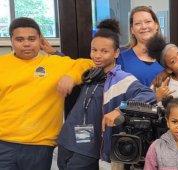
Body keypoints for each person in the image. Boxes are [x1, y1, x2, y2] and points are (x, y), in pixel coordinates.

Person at [57, 18, 157, 170]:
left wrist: (119, 110)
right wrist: (54, 52)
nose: (97, 55)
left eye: (104, 51)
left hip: (89, 147)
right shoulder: (91, 73)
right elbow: (70, 63)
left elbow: (148, 95)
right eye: (94, 50)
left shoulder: (122, 78)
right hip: (67, 139)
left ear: (116, 52)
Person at [0, 17, 94, 170]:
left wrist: (71, 76)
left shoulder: (54, 63)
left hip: (40, 145)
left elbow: (89, 64)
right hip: (3, 144)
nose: (26, 44)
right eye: (19, 39)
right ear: (11, 41)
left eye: (32, 39)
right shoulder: (2, 64)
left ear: (40, 39)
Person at [146, 34, 178, 133]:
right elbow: (147, 112)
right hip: (168, 141)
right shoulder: (161, 85)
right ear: (169, 69)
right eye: (173, 61)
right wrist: (156, 98)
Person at [116, 6, 164, 87]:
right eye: (138, 23)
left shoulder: (171, 52)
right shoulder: (120, 55)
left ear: (156, 25)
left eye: (148, 21)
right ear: (132, 30)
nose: (144, 27)